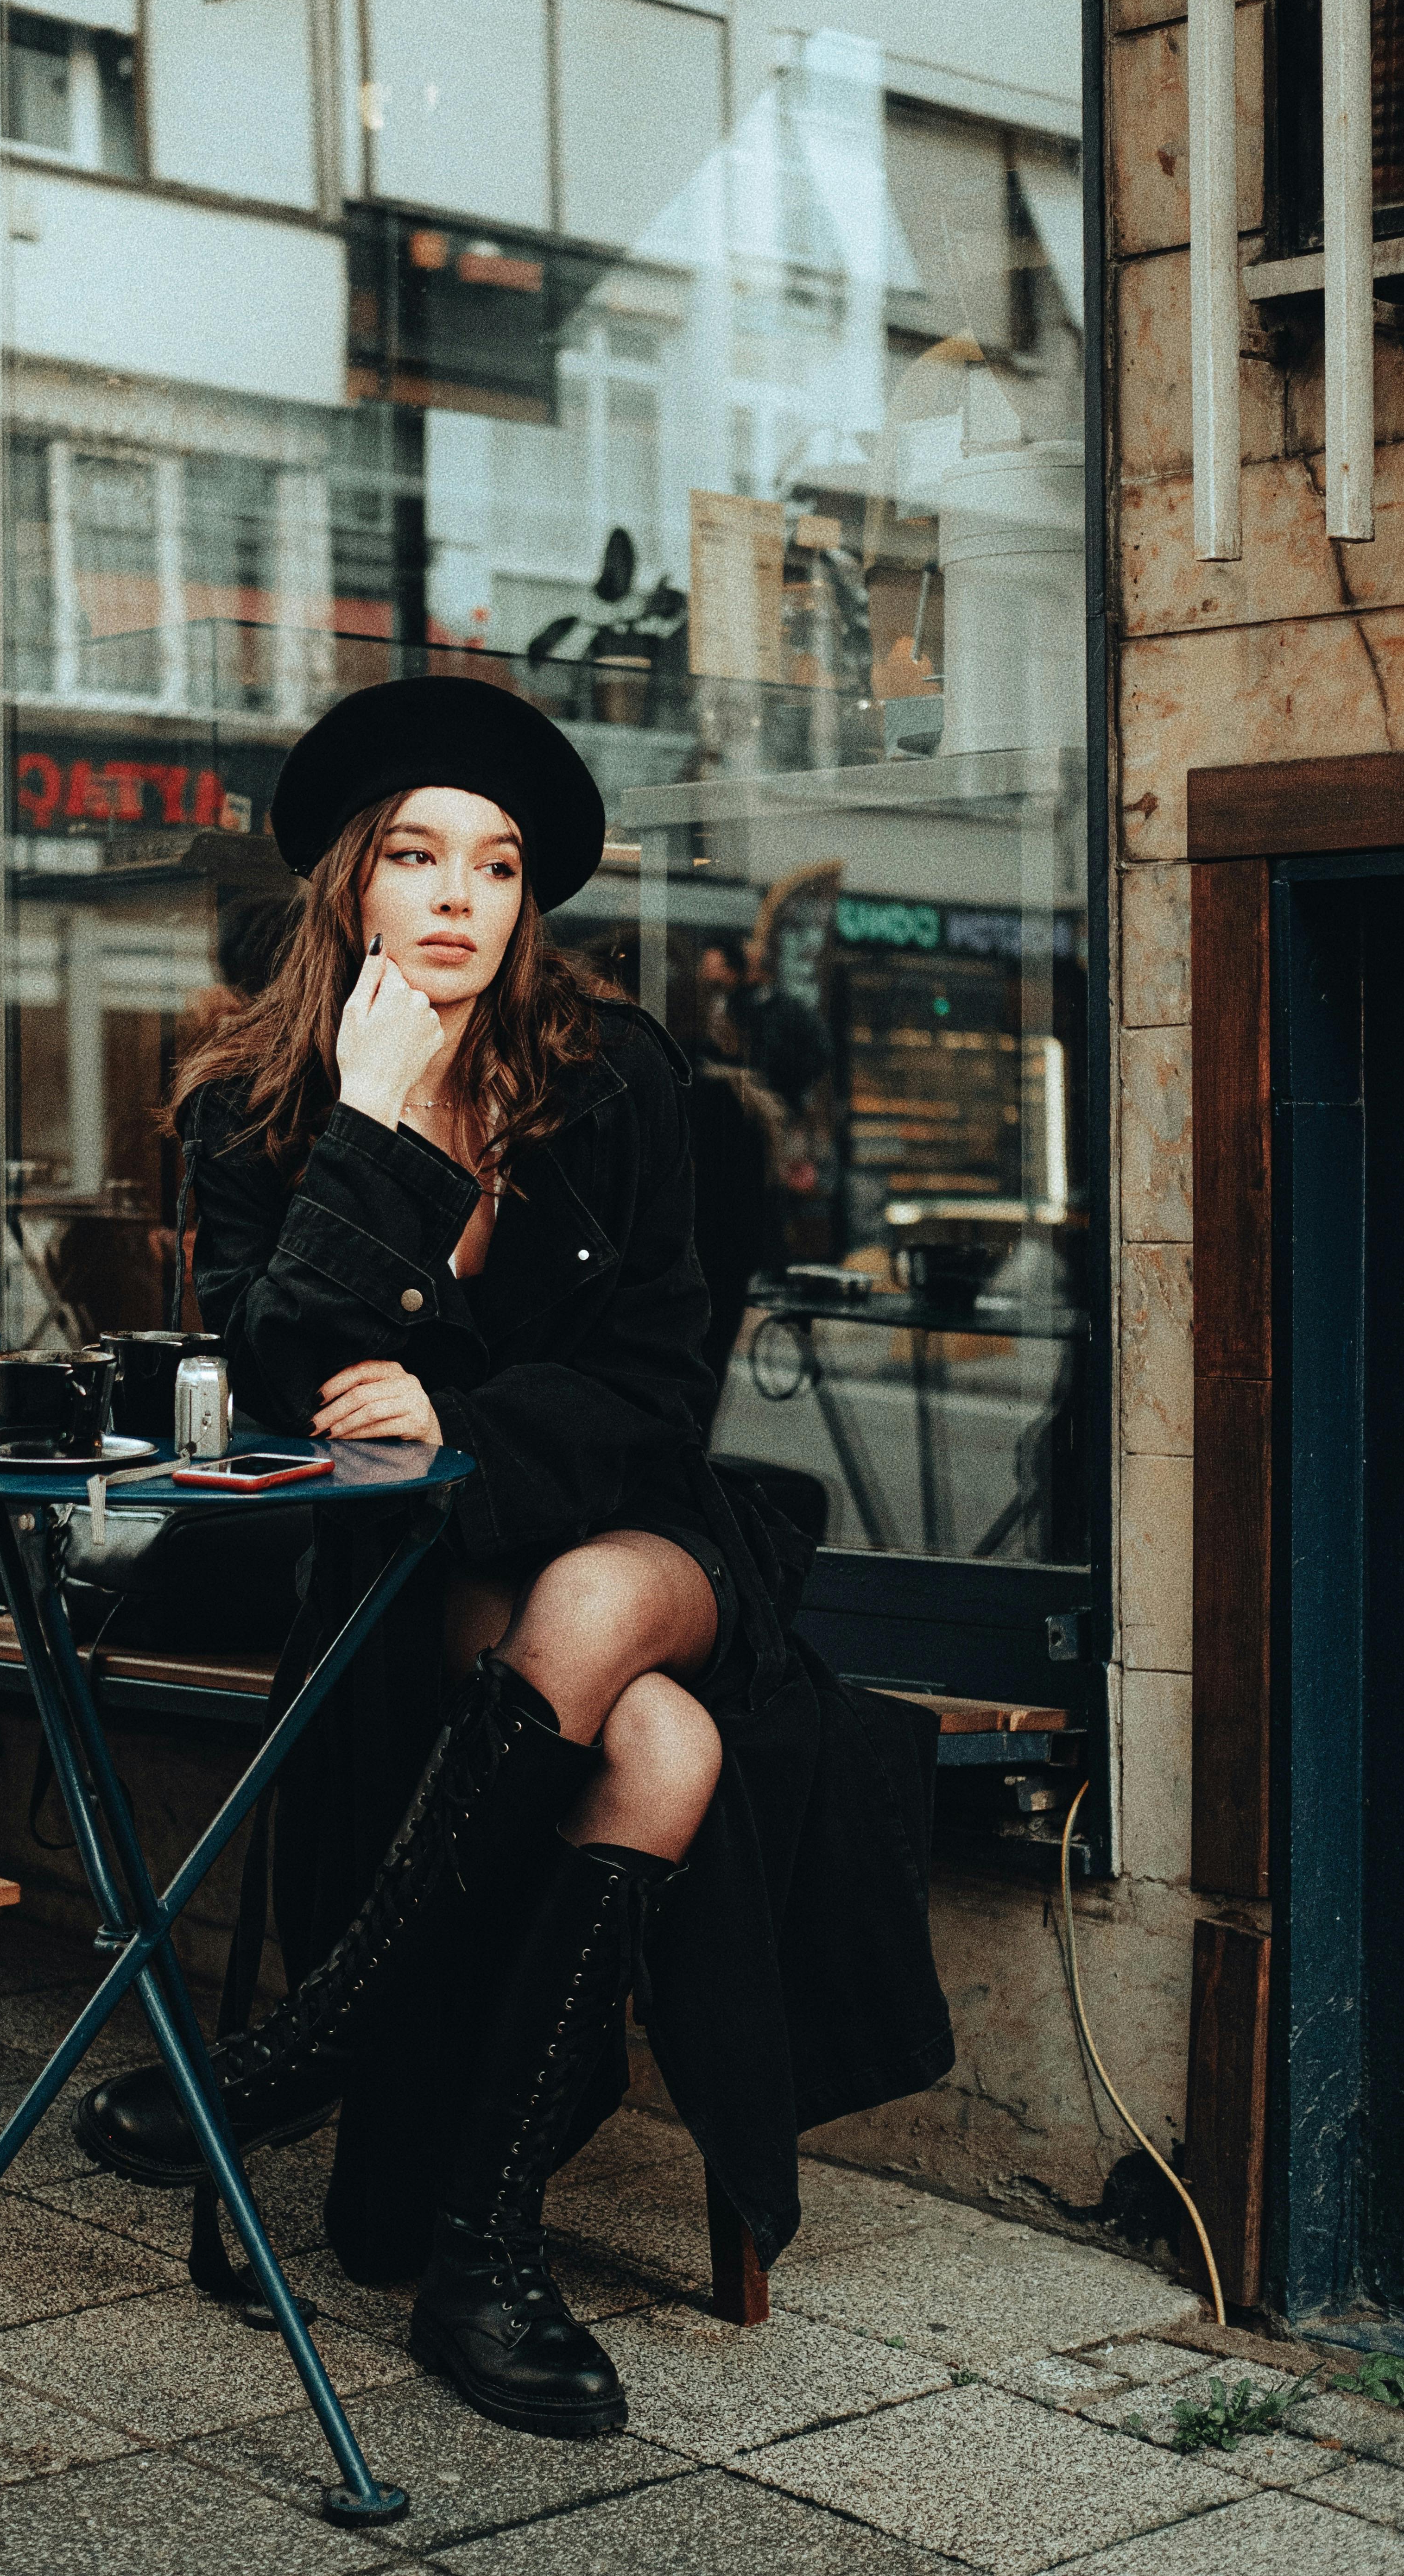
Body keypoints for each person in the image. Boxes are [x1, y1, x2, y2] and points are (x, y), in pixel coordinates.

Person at [75, 675, 952, 2439]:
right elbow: (269, 1379)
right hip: (413, 1580)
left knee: (602, 1593)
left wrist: (464, 1424)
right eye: (417, 855)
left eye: (495, 865)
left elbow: (655, 1387)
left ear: (527, 900)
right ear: (353, 886)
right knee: (662, 1741)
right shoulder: (250, 1109)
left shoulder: (621, 1081)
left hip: (656, 1539)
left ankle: (325, 2031)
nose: (460, 896)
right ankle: (487, 2242)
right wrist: (378, 1129)